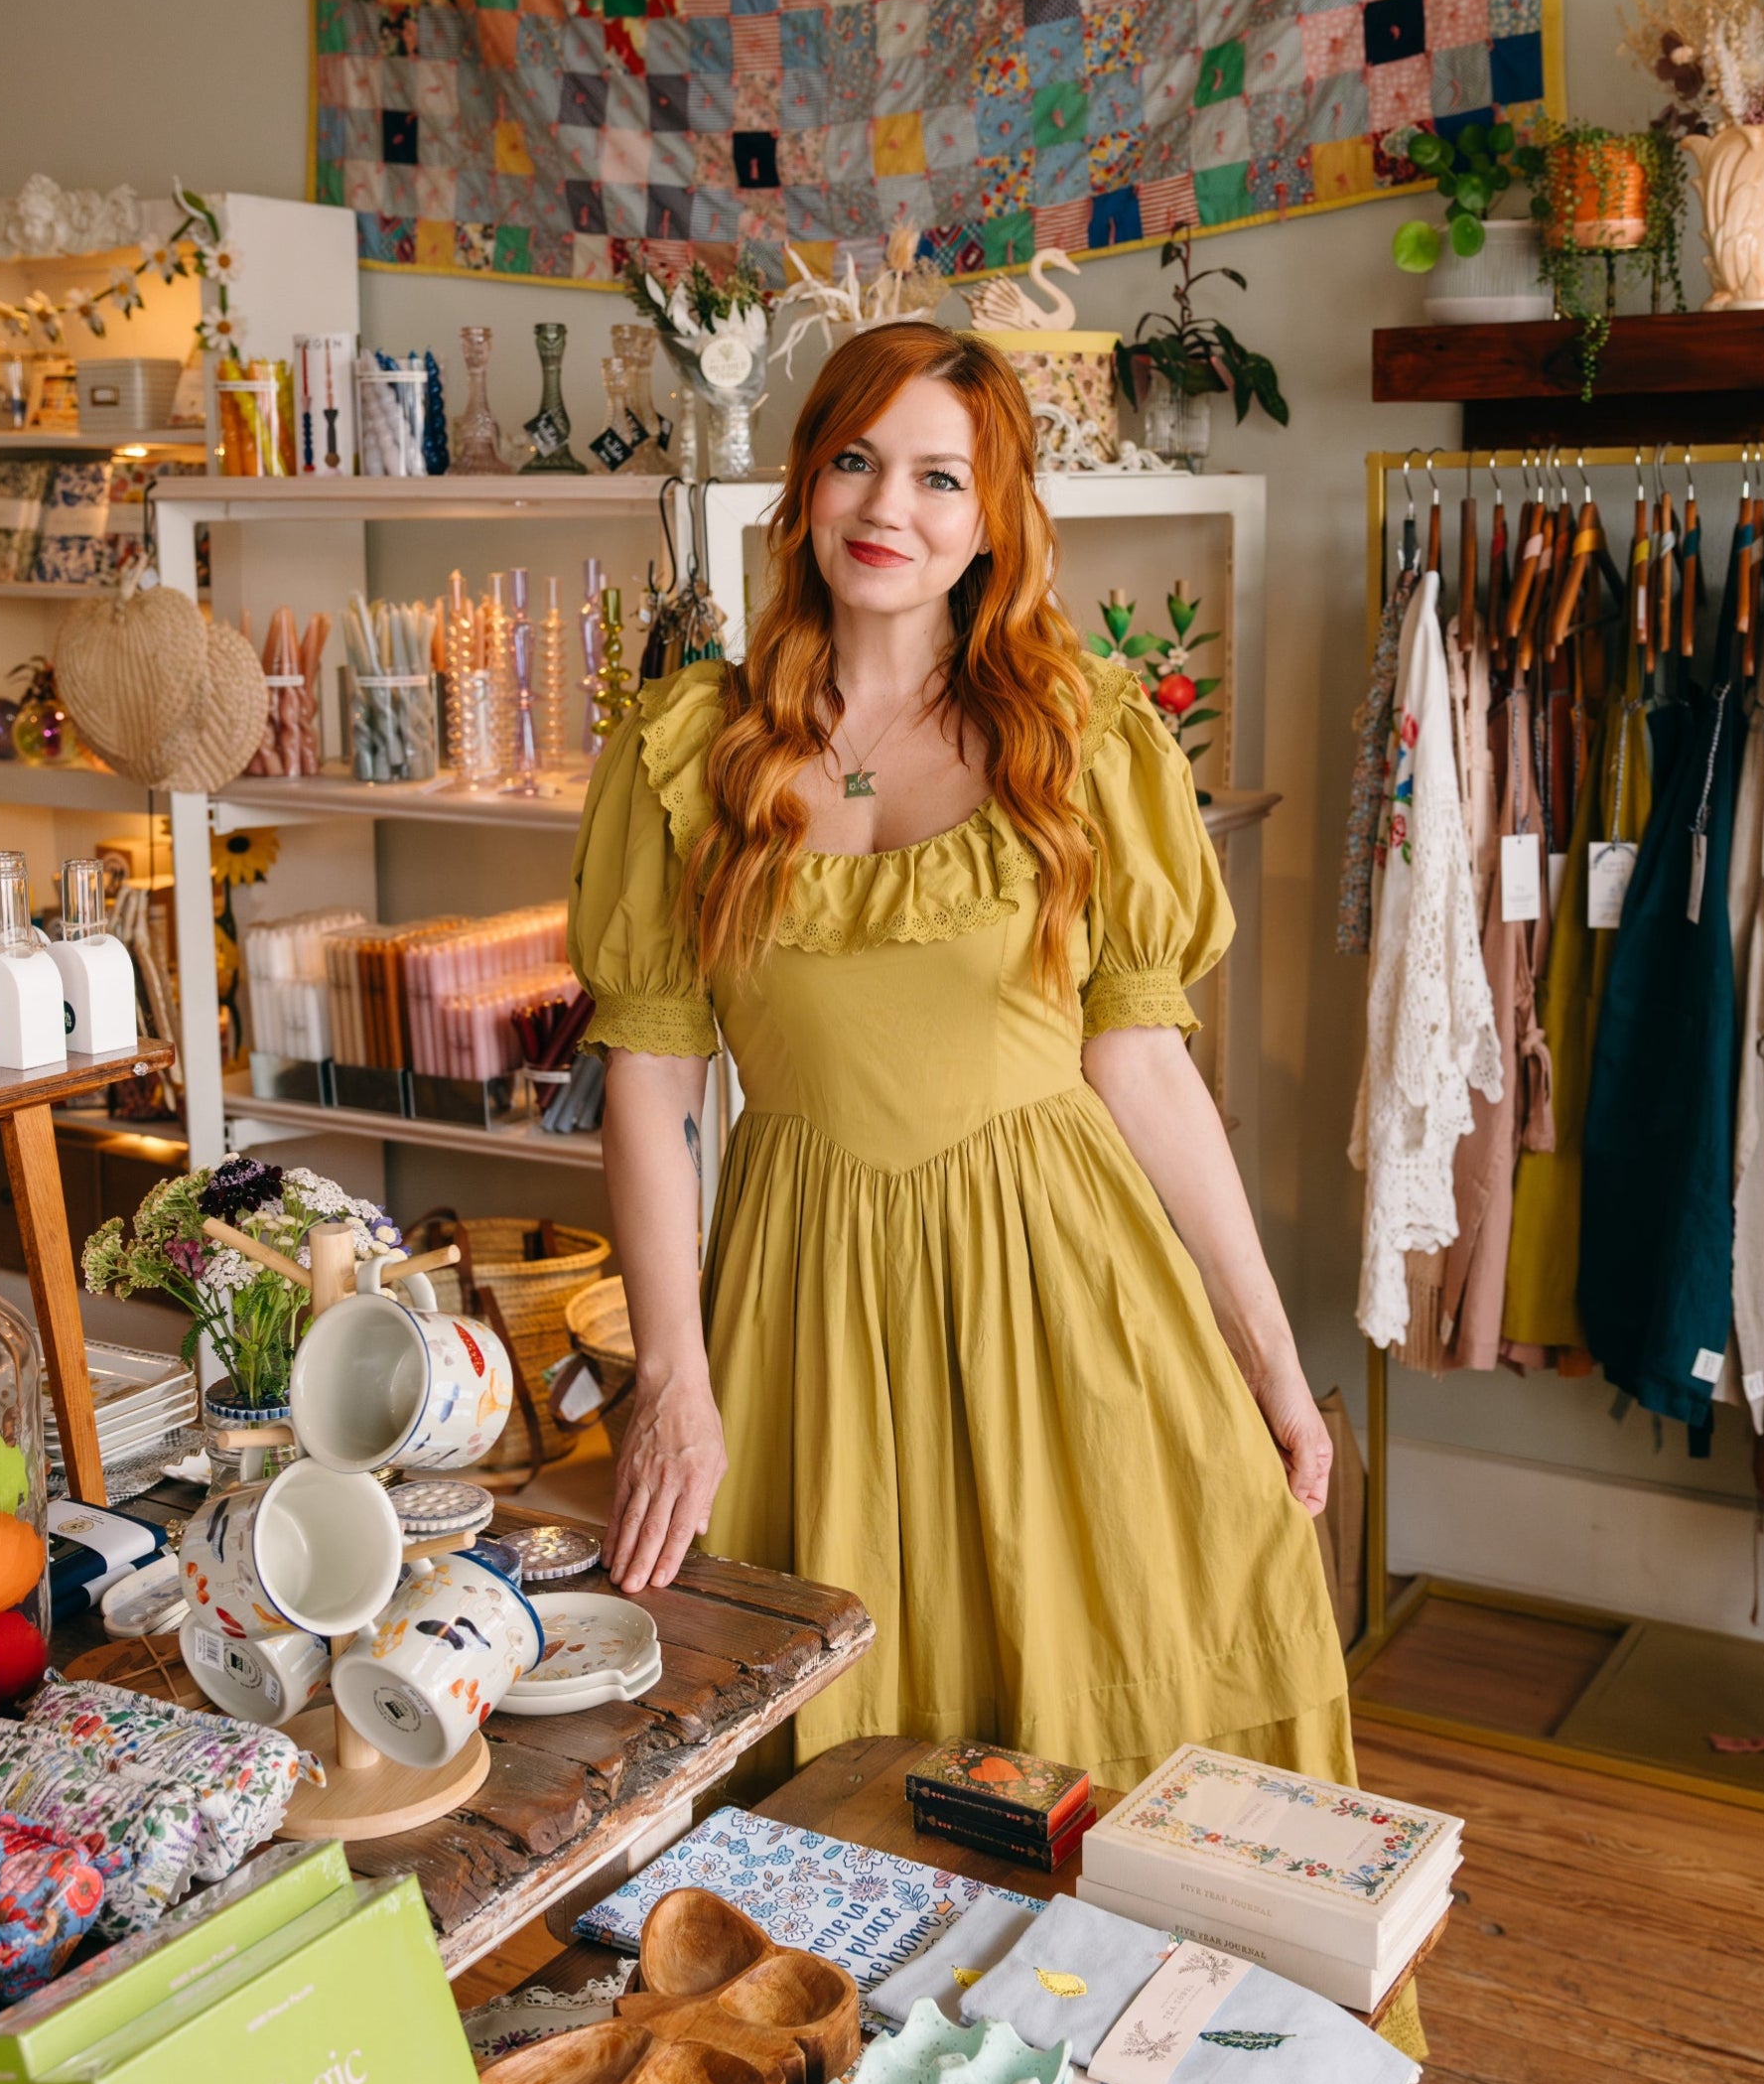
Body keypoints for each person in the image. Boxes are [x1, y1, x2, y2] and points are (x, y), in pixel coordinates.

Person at [568, 320, 1350, 1790]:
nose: (888, 511)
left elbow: (1143, 1062)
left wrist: (1272, 1358)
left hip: (1060, 1275)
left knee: (1104, 1683)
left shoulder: (1082, 743)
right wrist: (671, 1374)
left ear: (994, 518)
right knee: (836, 1719)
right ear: (805, 483)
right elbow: (656, 1074)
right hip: (806, 1289)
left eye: (942, 478)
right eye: (857, 462)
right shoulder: (690, 750)